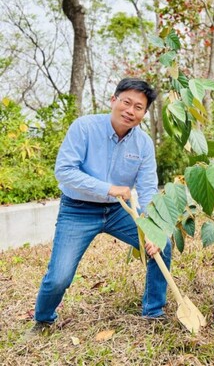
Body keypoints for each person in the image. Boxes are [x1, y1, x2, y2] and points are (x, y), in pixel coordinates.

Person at [28, 78, 171, 337]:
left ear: (144, 113)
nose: (130, 110)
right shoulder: (84, 128)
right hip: (78, 209)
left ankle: (153, 311)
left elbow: (149, 189)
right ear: (113, 100)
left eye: (138, 107)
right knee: (59, 276)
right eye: (126, 102)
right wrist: (108, 188)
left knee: (161, 245)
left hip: (119, 211)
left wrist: (153, 227)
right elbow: (64, 171)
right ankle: (44, 320)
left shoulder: (144, 144)